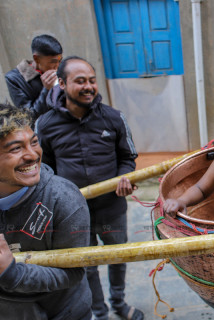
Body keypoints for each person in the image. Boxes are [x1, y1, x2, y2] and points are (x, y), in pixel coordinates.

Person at [36, 56, 143, 320]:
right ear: (61, 83)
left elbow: (128, 157)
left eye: (92, 81)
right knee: (87, 264)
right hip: (72, 214)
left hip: (112, 209)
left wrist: (124, 176)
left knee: (117, 255)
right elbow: (44, 171)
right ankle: (99, 311)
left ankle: (119, 303)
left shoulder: (114, 118)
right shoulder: (45, 125)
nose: (88, 86)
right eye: (80, 81)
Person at [0, 102, 91, 319]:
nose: (32, 155)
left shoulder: (64, 198)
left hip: (64, 313)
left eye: (34, 143)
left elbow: (73, 272)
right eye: (16, 148)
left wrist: (11, 273)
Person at [5, 34, 62, 119]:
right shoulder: (14, 78)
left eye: (60, 61)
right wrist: (46, 90)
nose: (57, 66)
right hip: (45, 129)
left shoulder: (63, 68)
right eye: (52, 62)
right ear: (36, 59)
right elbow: (29, 116)